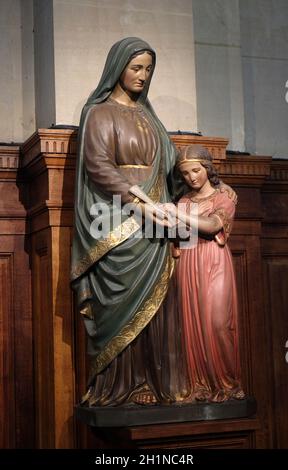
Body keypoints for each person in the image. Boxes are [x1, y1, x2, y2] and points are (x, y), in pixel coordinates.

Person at [70, 37, 189, 406]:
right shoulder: (100, 112)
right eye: (136, 67)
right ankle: (123, 386)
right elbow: (99, 166)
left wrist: (205, 188)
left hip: (158, 225)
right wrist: (142, 203)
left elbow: (171, 169)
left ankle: (159, 383)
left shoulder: (151, 117)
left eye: (148, 69)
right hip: (119, 221)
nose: (143, 75)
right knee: (122, 305)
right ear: (118, 67)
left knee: (162, 306)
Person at [166, 145, 245, 402]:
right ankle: (200, 385)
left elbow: (213, 226)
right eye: (186, 173)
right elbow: (181, 236)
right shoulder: (185, 201)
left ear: (208, 169)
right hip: (189, 262)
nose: (192, 177)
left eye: (196, 170)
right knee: (192, 325)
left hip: (213, 260)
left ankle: (228, 384)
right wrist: (166, 224)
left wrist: (179, 216)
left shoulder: (224, 197)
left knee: (218, 323)